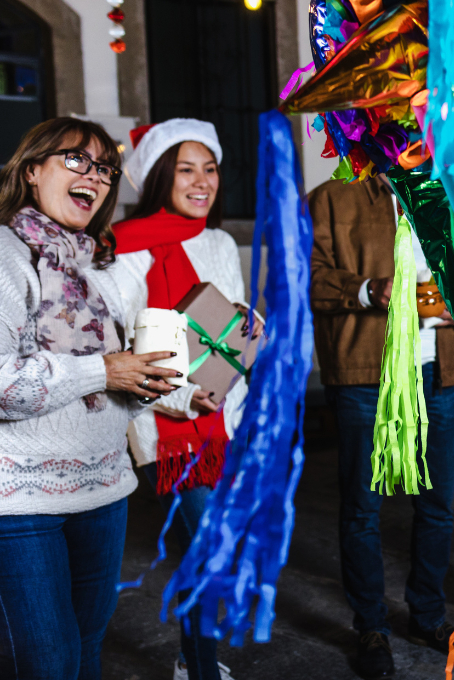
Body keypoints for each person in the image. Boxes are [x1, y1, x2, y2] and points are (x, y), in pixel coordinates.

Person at [0, 118, 178, 679]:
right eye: (76, 160)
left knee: (87, 651)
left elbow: (117, 388)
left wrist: (158, 385)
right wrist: (106, 369)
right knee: (51, 665)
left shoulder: (98, 266)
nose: (95, 176)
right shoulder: (5, 256)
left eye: (104, 167)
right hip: (22, 503)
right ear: (32, 171)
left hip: (105, 488)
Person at [88, 119, 249, 680]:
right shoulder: (124, 250)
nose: (201, 181)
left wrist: (249, 342)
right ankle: (200, 670)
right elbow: (123, 348)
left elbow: (228, 331)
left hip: (223, 425)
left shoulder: (221, 242)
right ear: (160, 176)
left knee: (209, 553)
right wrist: (185, 396)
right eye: (186, 169)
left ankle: (190, 657)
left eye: (210, 169)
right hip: (168, 433)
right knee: (205, 553)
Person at [310, 173, 454, 680]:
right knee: (361, 508)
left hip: (435, 371)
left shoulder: (445, 192)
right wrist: (366, 289)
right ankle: (371, 626)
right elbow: (301, 277)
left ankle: (428, 616)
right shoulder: (332, 198)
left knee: (438, 504)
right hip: (363, 373)